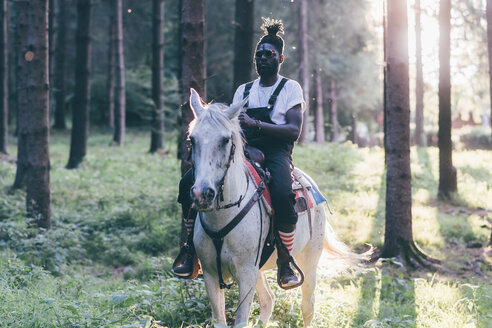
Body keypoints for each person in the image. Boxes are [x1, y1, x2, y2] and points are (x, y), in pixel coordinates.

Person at [172, 18, 305, 289]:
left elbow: (293, 130)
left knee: (281, 191)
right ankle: (189, 250)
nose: (262, 59)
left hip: (277, 152)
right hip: (247, 149)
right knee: (188, 182)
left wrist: (257, 124)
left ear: (280, 58)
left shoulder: (291, 88)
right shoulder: (243, 90)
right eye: (258, 55)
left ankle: (284, 258)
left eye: (268, 54)